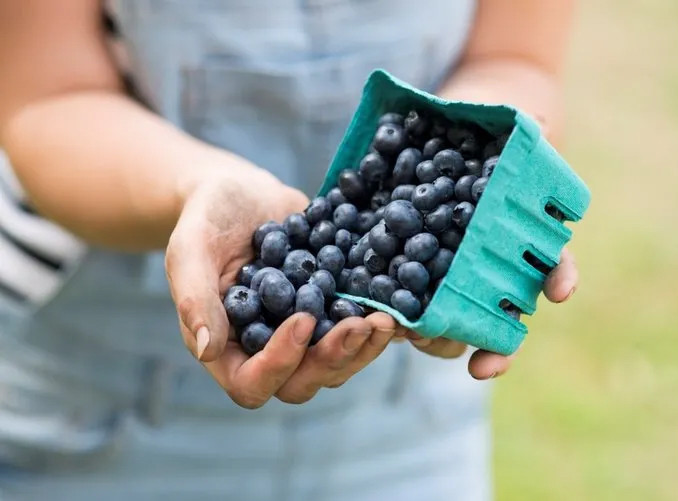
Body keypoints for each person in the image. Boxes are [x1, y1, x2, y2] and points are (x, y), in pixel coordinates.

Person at [0, 1, 579, 499]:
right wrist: (198, 186)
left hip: (404, 429)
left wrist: (498, 175)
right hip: (90, 416)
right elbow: (47, 98)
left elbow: (514, 56)